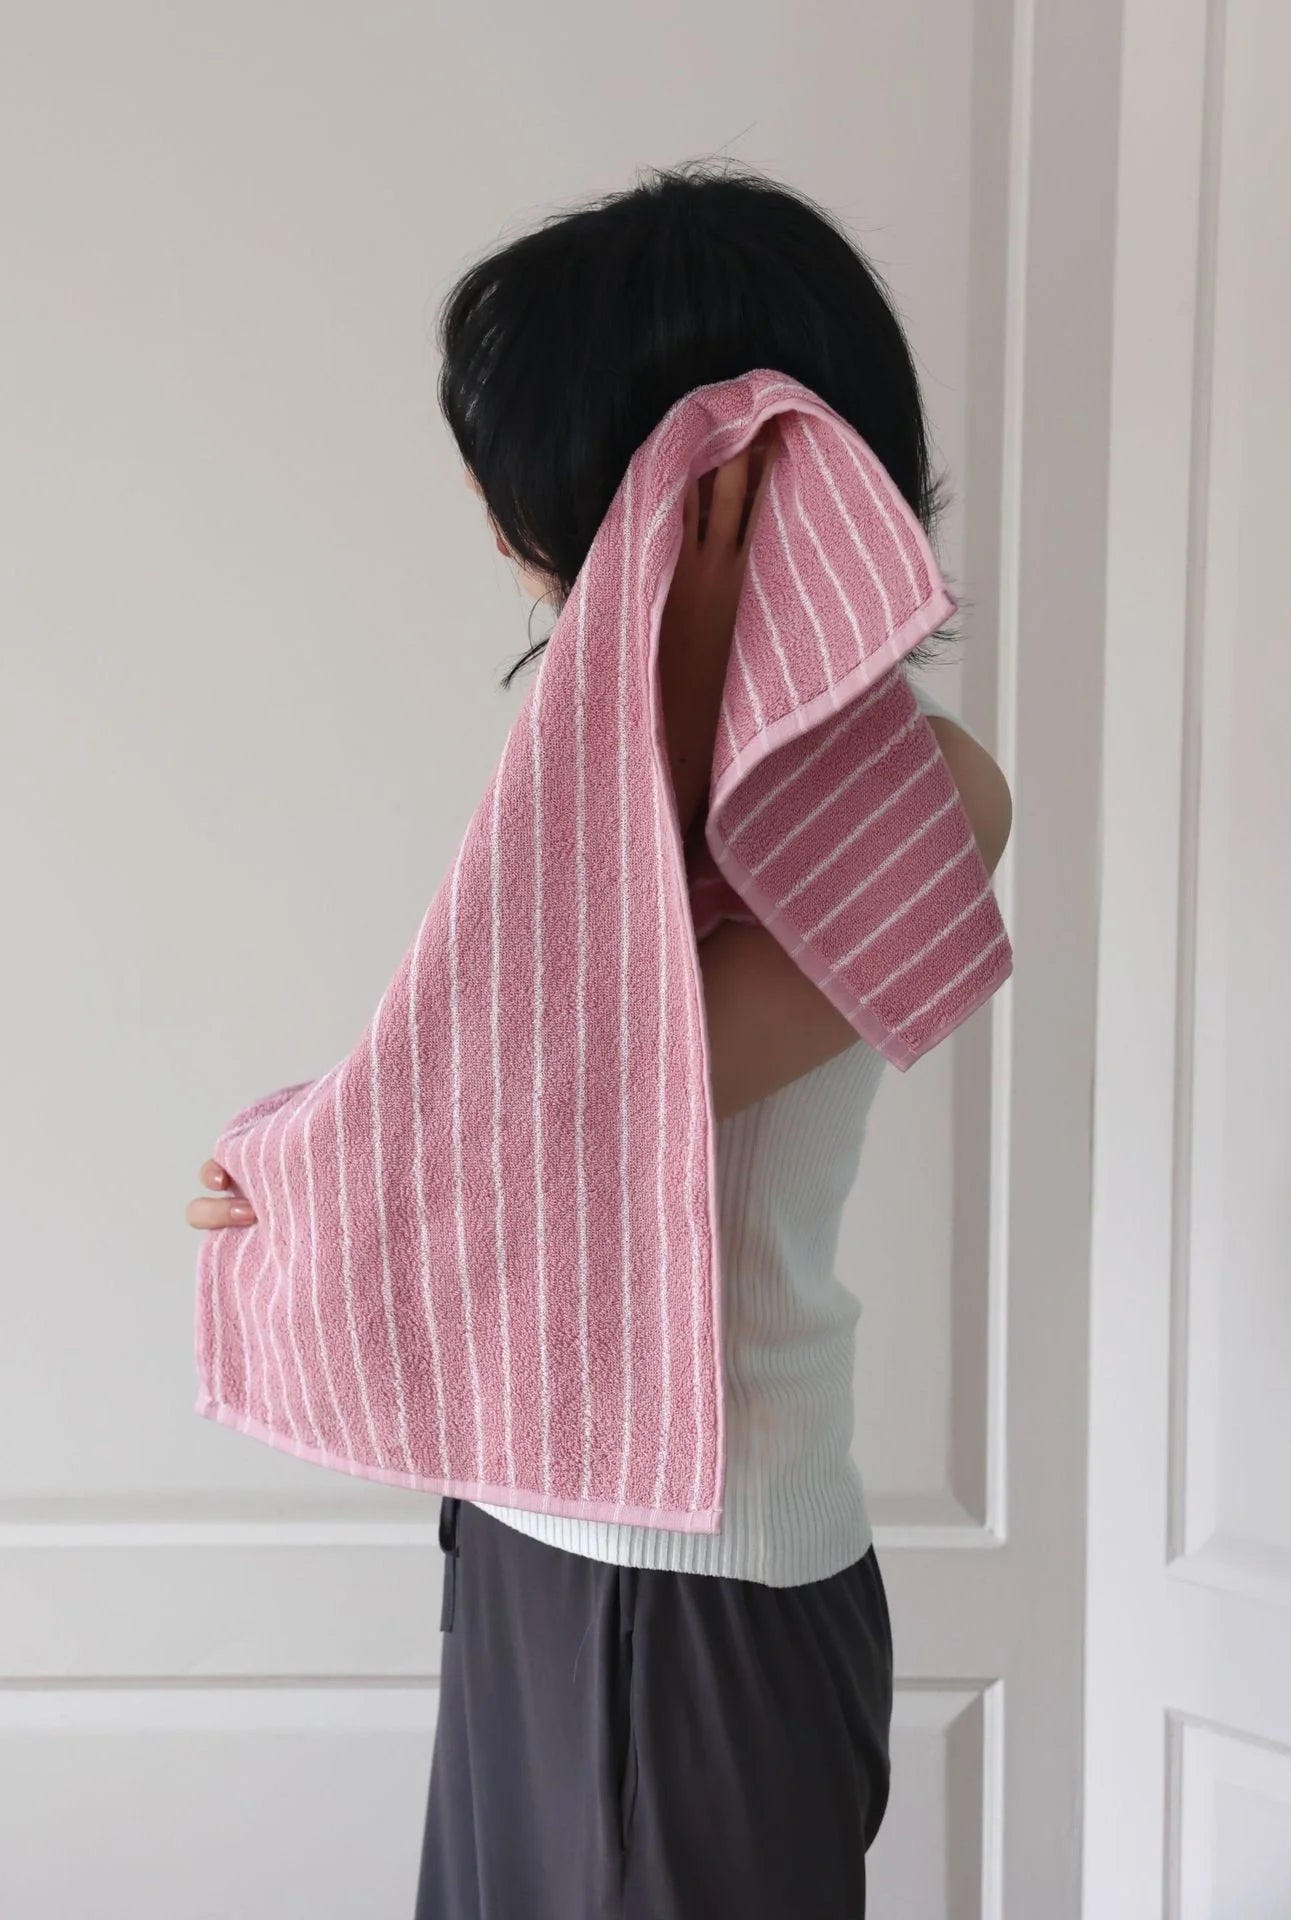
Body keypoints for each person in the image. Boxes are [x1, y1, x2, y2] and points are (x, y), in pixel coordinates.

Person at [186, 158, 1012, 1919]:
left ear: (705, 492)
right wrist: (307, 1174)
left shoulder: (930, 795)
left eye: (543, 491)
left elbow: (576, 1088)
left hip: (687, 1582)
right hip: (539, 1532)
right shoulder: (581, 796)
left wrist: (698, 682)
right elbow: (475, 1089)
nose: (506, 535)